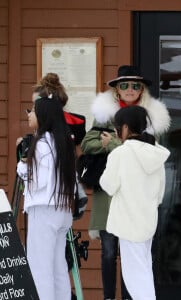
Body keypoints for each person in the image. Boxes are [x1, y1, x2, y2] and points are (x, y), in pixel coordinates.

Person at [81, 65, 170, 300]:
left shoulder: (145, 122)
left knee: (133, 270)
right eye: (124, 85)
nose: (130, 89)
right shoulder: (107, 115)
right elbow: (88, 142)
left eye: (135, 85)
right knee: (132, 262)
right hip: (144, 214)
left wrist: (114, 145)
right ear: (116, 90)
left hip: (124, 211)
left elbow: (110, 182)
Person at [100, 105, 170, 300]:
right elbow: (160, 193)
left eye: (116, 128)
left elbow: (108, 185)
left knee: (135, 278)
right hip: (148, 221)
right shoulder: (156, 154)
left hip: (128, 223)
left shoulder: (120, 154)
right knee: (144, 272)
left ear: (124, 128)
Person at [17, 94, 76, 300]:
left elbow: (37, 180)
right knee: (58, 267)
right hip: (62, 209)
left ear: (43, 115)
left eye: (32, 110)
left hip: (43, 210)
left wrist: (22, 165)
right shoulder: (64, 143)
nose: (29, 114)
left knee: (40, 268)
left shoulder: (41, 144)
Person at [32, 73, 87, 219]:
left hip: (63, 182)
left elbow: (79, 151)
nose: (33, 110)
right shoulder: (40, 123)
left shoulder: (75, 121)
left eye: (36, 105)